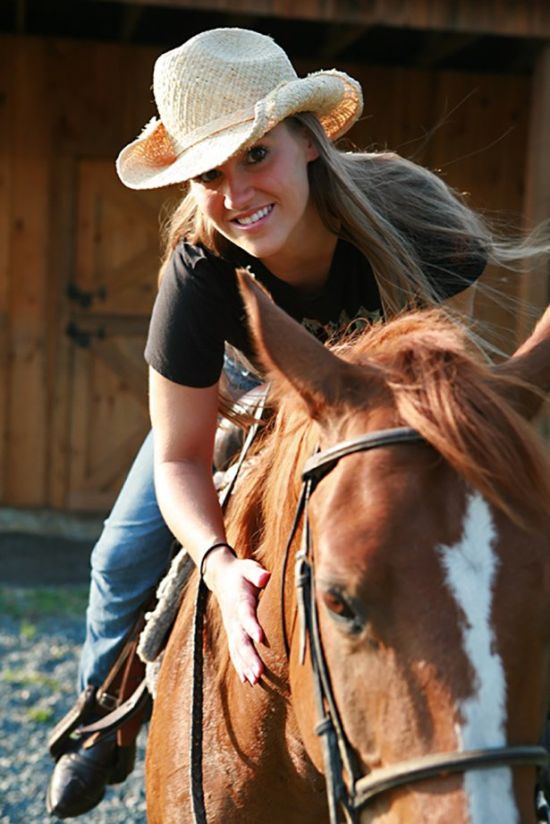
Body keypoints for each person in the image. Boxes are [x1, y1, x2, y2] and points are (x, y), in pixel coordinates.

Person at [47, 26, 520, 819]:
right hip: (242, 387)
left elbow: (446, 390)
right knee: (119, 555)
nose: (236, 194)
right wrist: (224, 568)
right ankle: (104, 715)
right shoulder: (199, 274)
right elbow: (179, 461)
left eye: (256, 155)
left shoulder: (416, 220)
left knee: (494, 549)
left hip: (380, 401)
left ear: (307, 142)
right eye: (208, 172)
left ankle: (518, 726)